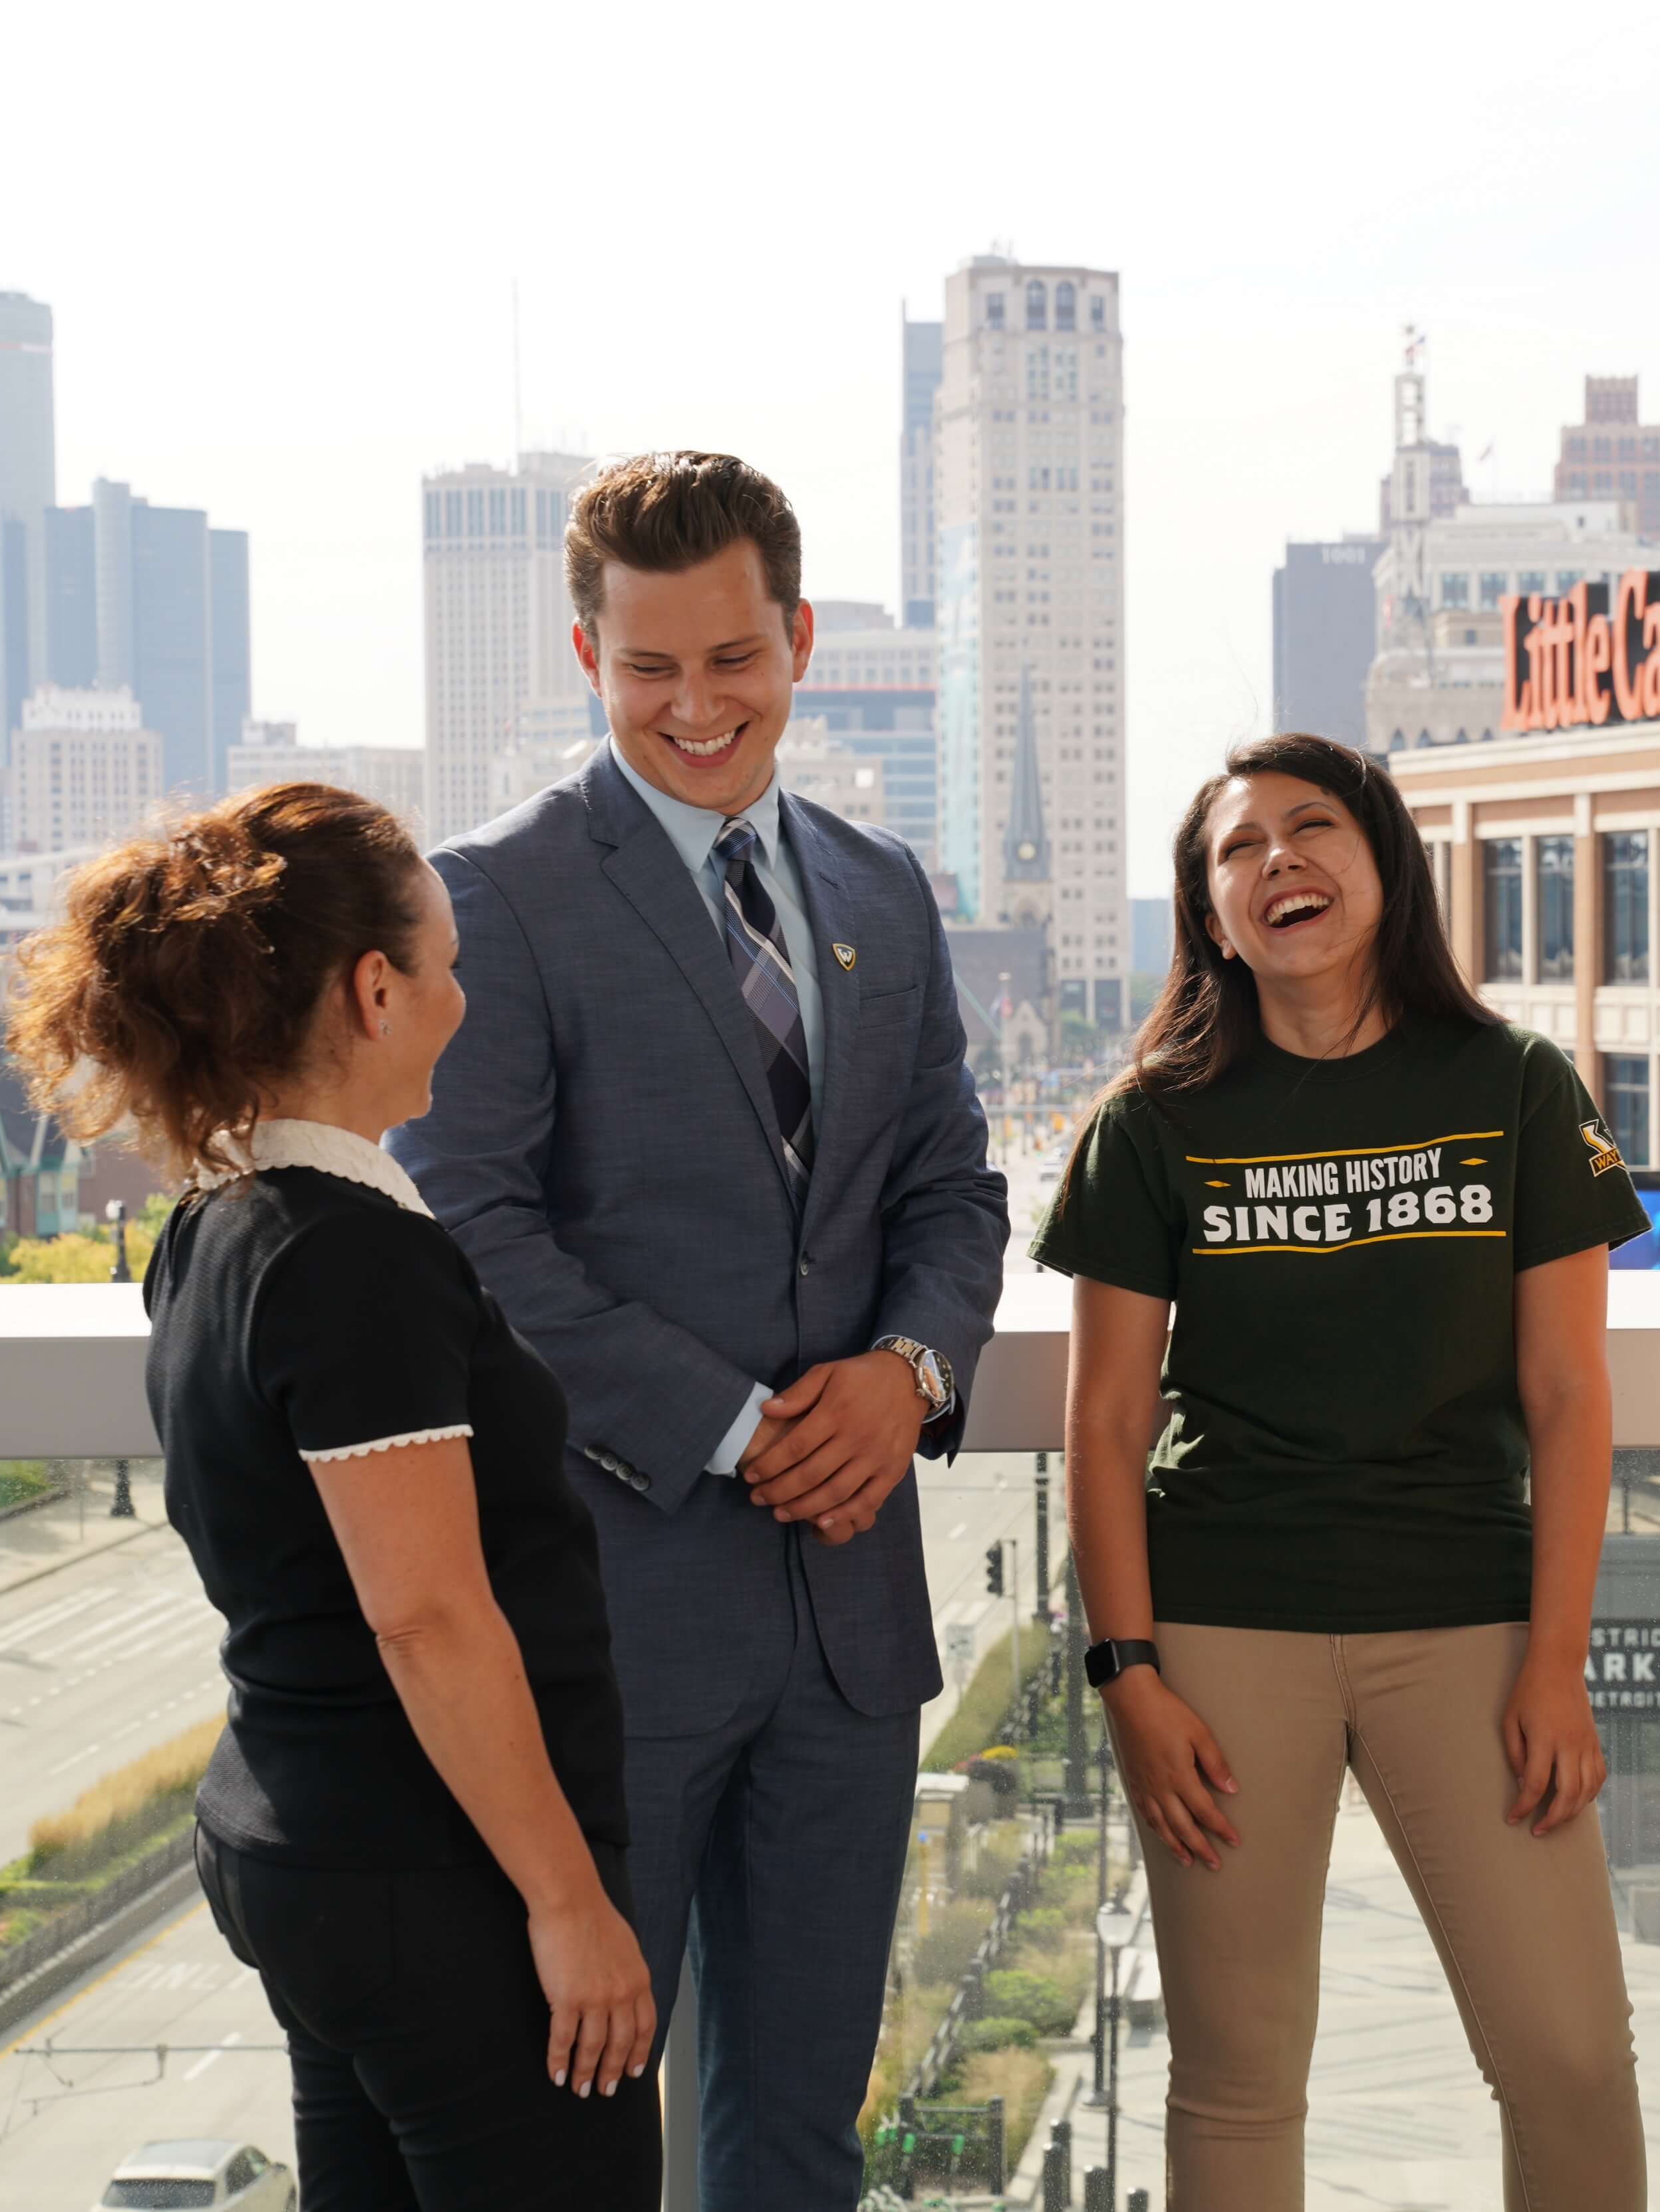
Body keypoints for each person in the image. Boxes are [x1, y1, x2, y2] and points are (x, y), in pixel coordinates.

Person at [387, 452, 1009, 2205]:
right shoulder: (491, 898)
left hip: (848, 1629)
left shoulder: (884, 888)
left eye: (729, 658)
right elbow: (472, 1233)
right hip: (614, 1635)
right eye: (646, 666)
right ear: (588, 656)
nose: (693, 706)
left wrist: (908, 1378)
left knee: (801, 2139)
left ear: (798, 641)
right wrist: (745, 1426)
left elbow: (954, 1190)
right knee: (577, 2142)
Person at [7, 783, 657, 2209]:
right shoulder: (352, 1261)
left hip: (310, 1853)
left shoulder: (212, 1231)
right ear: (376, 989)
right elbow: (426, 1617)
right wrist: (566, 1903)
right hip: (432, 1882)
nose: (459, 1000)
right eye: (447, 966)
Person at [1035, 735, 1651, 2212]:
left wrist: (1557, 1663)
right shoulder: (1151, 1124)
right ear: (1208, 911)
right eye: (1237, 851)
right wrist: (1130, 1677)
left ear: (1384, 864)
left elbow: (1569, 1397)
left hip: (1469, 1621)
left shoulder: (1510, 1084)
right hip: (1223, 1632)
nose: (1277, 865)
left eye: (1311, 830)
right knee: (1238, 2087)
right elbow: (1105, 1425)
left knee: (1570, 2059)